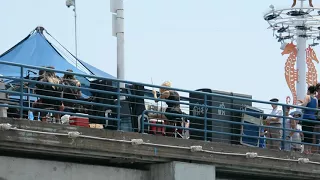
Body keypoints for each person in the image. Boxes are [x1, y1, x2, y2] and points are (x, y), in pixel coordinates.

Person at [299, 85, 318, 154]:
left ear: (309, 91)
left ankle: (305, 150)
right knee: (310, 134)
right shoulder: (315, 99)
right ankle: (309, 150)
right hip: (313, 118)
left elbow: (304, 105)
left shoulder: (307, 96)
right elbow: (315, 109)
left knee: (305, 134)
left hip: (306, 117)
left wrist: (299, 105)